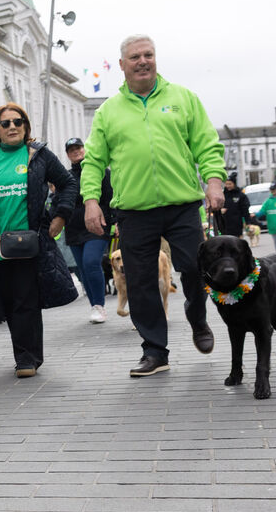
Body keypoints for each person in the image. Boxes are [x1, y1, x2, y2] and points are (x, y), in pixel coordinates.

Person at [81, 34, 225, 377]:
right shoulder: (108, 112)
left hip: (183, 205)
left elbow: (207, 143)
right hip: (133, 211)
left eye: (148, 55)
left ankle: (198, 317)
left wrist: (214, 180)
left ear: (155, 59)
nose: (142, 61)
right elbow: (93, 162)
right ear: (122, 65)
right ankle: (155, 351)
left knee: (195, 269)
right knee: (142, 282)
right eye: (135, 57)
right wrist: (90, 201)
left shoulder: (183, 99)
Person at [0, 103, 75, 378]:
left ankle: (27, 358)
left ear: (26, 126)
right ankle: (26, 354)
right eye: (5, 123)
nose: (12, 127)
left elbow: (68, 183)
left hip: (31, 243)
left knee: (25, 300)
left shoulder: (39, 155)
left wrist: (60, 217)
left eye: (18, 122)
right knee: (7, 302)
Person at [61, 137, 113, 324]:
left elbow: (110, 198)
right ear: (67, 154)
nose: (76, 152)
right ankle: (94, 306)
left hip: (97, 226)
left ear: (85, 149)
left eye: (79, 148)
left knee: (91, 262)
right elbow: (60, 201)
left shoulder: (100, 172)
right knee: (82, 270)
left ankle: (99, 305)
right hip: (74, 229)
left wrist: (114, 222)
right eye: (71, 150)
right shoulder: (65, 177)